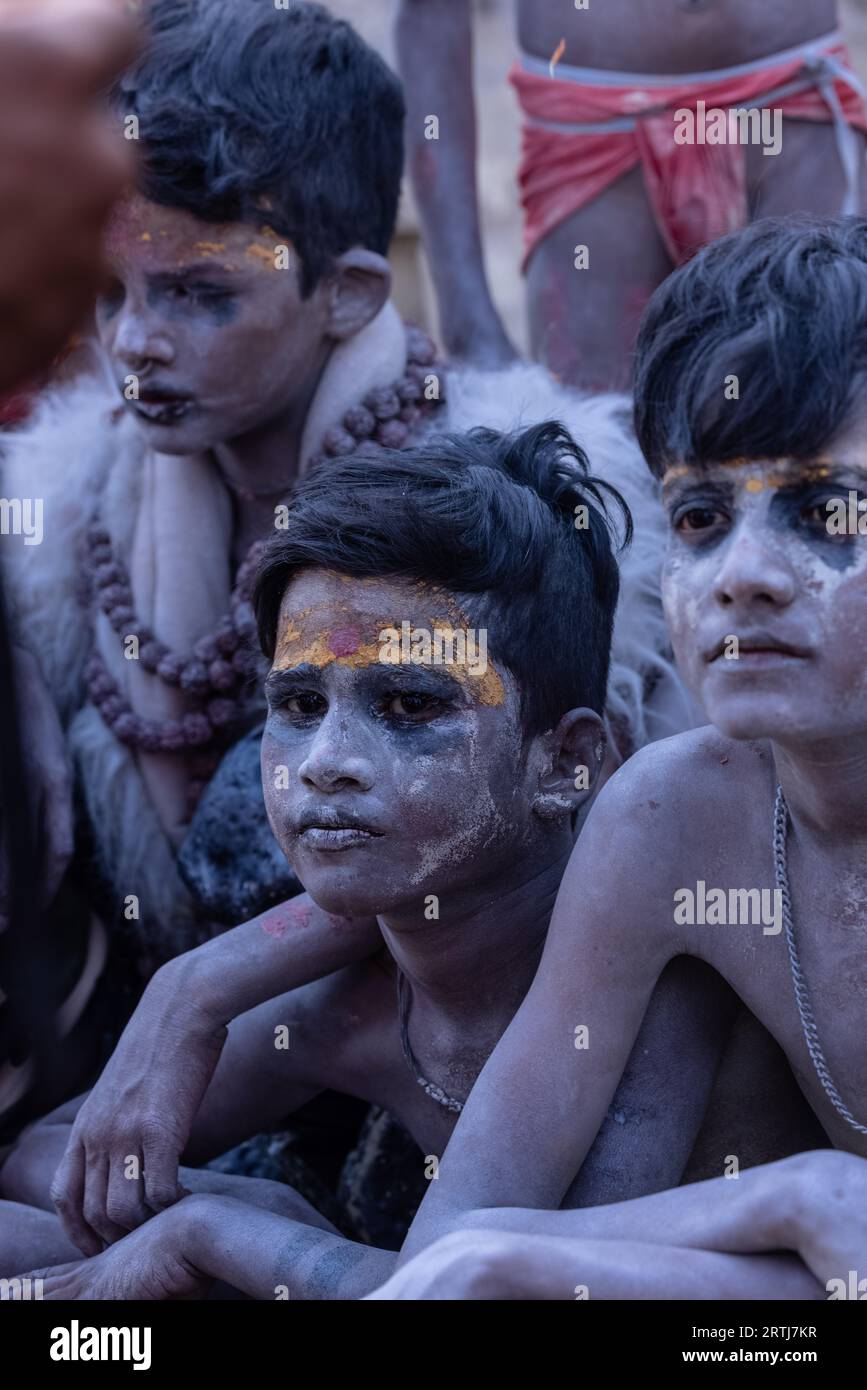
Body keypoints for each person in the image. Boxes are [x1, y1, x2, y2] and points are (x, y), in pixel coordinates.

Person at [1, 423, 735, 1293]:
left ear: (568, 762)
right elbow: (42, 1162)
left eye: (410, 704)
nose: (324, 760)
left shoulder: (657, 977)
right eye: (301, 701)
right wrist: (243, 1187)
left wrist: (214, 1233)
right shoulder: (346, 1004)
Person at [387, 216, 867, 1292]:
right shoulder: (675, 817)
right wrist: (787, 1197)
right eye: (699, 516)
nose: (744, 572)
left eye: (827, 509)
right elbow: (455, 1240)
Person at [396, 0, 867, 389]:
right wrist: (469, 327)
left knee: (825, 426)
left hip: (798, 113)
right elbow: (430, 11)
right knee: (599, 458)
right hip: (596, 146)